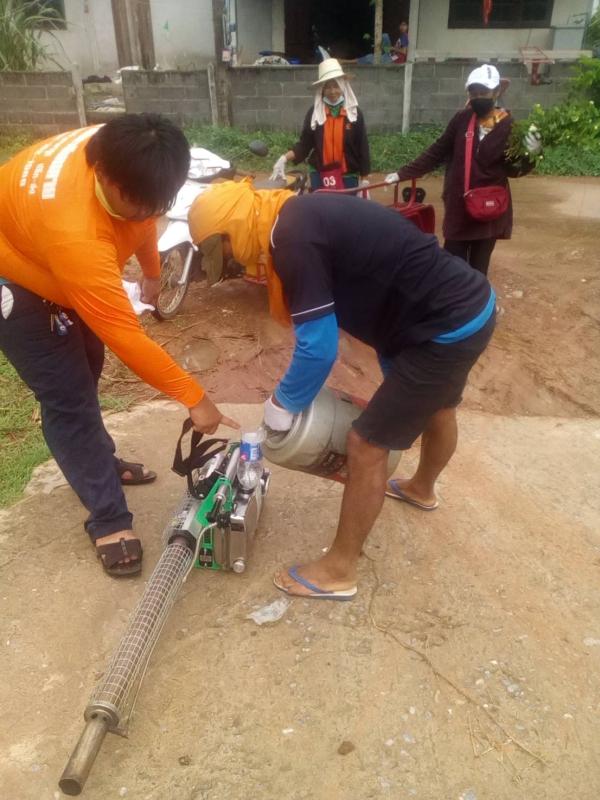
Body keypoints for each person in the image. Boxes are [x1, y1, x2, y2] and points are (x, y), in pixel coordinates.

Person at [188, 180, 496, 600]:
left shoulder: (290, 239)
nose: (229, 260)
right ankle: (421, 489)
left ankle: (338, 570)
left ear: (232, 226)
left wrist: (283, 403)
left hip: (441, 331)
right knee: (439, 406)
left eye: (219, 248)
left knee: (366, 446)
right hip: (463, 309)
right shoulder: (296, 216)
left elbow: (318, 349)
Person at [0, 114, 238, 577]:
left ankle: (99, 462)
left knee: (88, 365)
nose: (150, 212)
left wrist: (151, 271)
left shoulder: (130, 148)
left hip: (51, 251)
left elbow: (145, 216)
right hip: (16, 273)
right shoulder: (76, 235)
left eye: (159, 202)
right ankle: (108, 517)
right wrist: (194, 397)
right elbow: (125, 334)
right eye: (139, 204)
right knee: (67, 397)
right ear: (105, 177)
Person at [385, 64, 542, 275]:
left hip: (488, 210)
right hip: (459, 207)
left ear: (496, 92)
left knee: (479, 270)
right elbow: (437, 151)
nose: (478, 97)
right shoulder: (462, 120)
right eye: (473, 93)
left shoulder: (509, 126)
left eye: (483, 92)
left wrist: (531, 155)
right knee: (452, 268)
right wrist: (402, 174)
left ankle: (479, 296)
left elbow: (513, 170)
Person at [270, 58, 370, 191]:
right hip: (320, 174)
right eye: (327, 87)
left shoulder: (354, 114)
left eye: (336, 86)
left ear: (343, 86)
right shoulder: (315, 113)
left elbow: (362, 146)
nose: (332, 91)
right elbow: (305, 144)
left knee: (345, 205)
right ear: (322, 89)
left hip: (347, 175)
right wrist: (284, 158)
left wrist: (364, 179)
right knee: (320, 204)